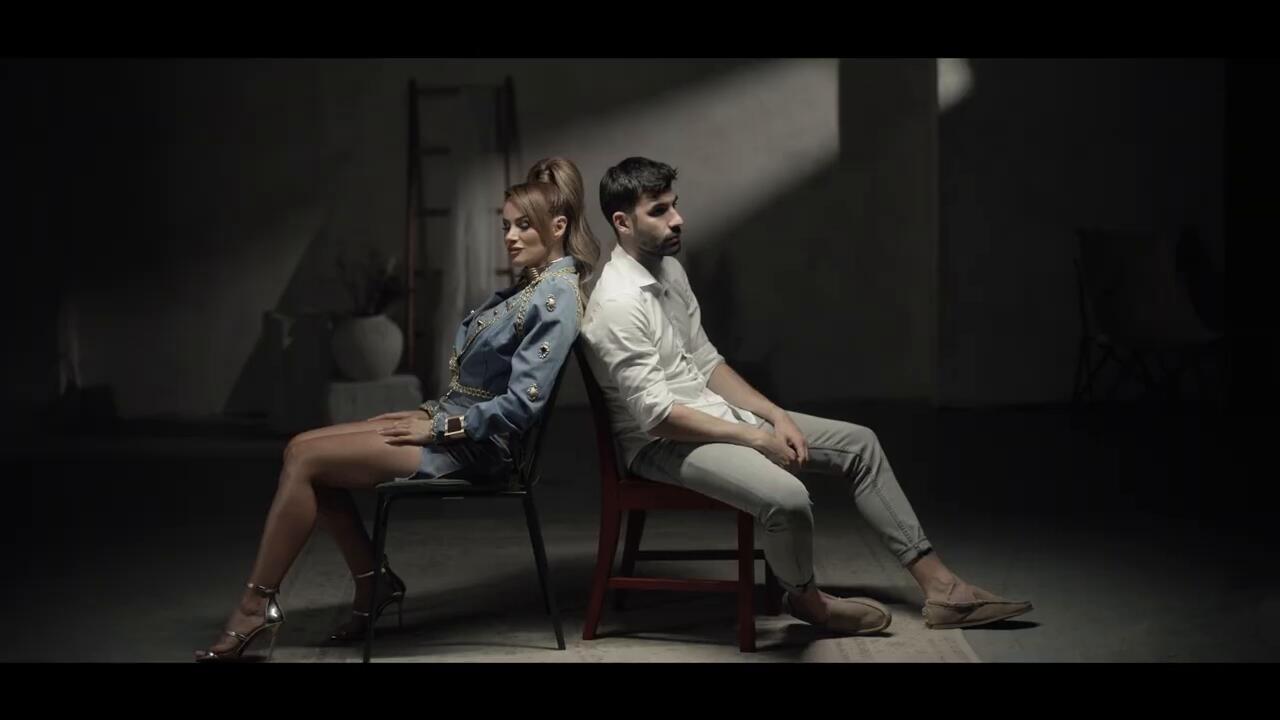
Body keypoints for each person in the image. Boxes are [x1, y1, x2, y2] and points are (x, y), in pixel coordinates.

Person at [581, 156, 1032, 635]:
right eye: (659, 211)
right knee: (789, 500)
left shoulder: (669, 269)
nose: (677, 219)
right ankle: (808, 602)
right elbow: (657, 417)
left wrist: (775, 416)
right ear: (622, 223)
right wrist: (756, 439)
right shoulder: (619, 303)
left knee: (860, 445)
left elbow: (707, 363)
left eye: (675, 205)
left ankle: (942, 589)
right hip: (662, 443)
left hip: (710, 413)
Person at [195, 157, 600, 661]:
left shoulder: (557, 297)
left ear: (558, 225)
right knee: (301, 450)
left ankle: (255, 608)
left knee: (304, 458)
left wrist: (437, 429)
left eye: (524, 225)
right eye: (506, 226)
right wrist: (425, 414)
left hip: (477, 449)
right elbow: (474, 385)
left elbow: (520, 407)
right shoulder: (530, 286)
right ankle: (372, 585)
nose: (511, 237)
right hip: (452, 428)